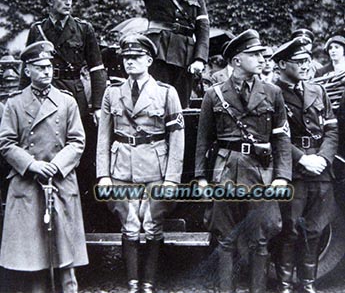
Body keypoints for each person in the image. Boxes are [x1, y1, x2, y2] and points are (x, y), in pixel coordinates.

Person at [195, 29, 292, 293]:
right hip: (225, 171)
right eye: (254, 54)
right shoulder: (214, 95)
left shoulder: (272, 93)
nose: (262, 59)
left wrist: (282, 176)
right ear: (237, 60)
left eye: (262, 54)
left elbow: (281, 139)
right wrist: (202, 178)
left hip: (261, 173)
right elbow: (203, 140)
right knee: (225, 239)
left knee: (260, 240)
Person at [96, 33, 184, 293]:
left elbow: (177, 139)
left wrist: (172, 178)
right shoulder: (112, 93)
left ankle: (149, 282)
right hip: (121, 166)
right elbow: (103, 137)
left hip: (156, 167)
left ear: (148, 60)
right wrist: (103, 174)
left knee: (152, 224)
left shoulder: (167, 93)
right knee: (130, 224)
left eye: (135, 58)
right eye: (126, 58)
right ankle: (133, 283)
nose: (129, 62)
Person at [0, 41, 88, 292]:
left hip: (60, 182)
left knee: (66, 262)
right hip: (28, 184)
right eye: (39, 67)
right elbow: (5, 143)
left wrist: (56, 165)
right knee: (34, 263)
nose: (47, 72)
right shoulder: (14, 104)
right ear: (27, 71)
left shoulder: (66, 101)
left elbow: (77, 141)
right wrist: (32, 165)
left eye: (49, 66)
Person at [272, 37, 338, 293]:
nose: (305, 65)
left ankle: (307, 283)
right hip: (294, 169)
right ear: (281, 64)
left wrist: (323, 157)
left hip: (321, 169)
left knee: (315, 228)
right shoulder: (271, 92)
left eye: (307, 60)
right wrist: (303, 159)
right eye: (298, 61)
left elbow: (332, 129)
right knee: (289, 229)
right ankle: (285, 285)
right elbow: (272, 135)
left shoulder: (317, 90)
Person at [112, 0, 210, 108]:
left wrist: (200, 59)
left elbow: (203, 30)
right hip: (160, 54)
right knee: (157, 103)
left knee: (181, 107)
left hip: (186, 57)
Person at [19, 0, 107, 123]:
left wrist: (98, 106)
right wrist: (21, 99)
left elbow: (97, 68)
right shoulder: (38, 29)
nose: (69, 3)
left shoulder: (84, 29)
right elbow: (26, 68)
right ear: (49, 1)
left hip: (75, 93)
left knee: (80, 138)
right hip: (47, 90)